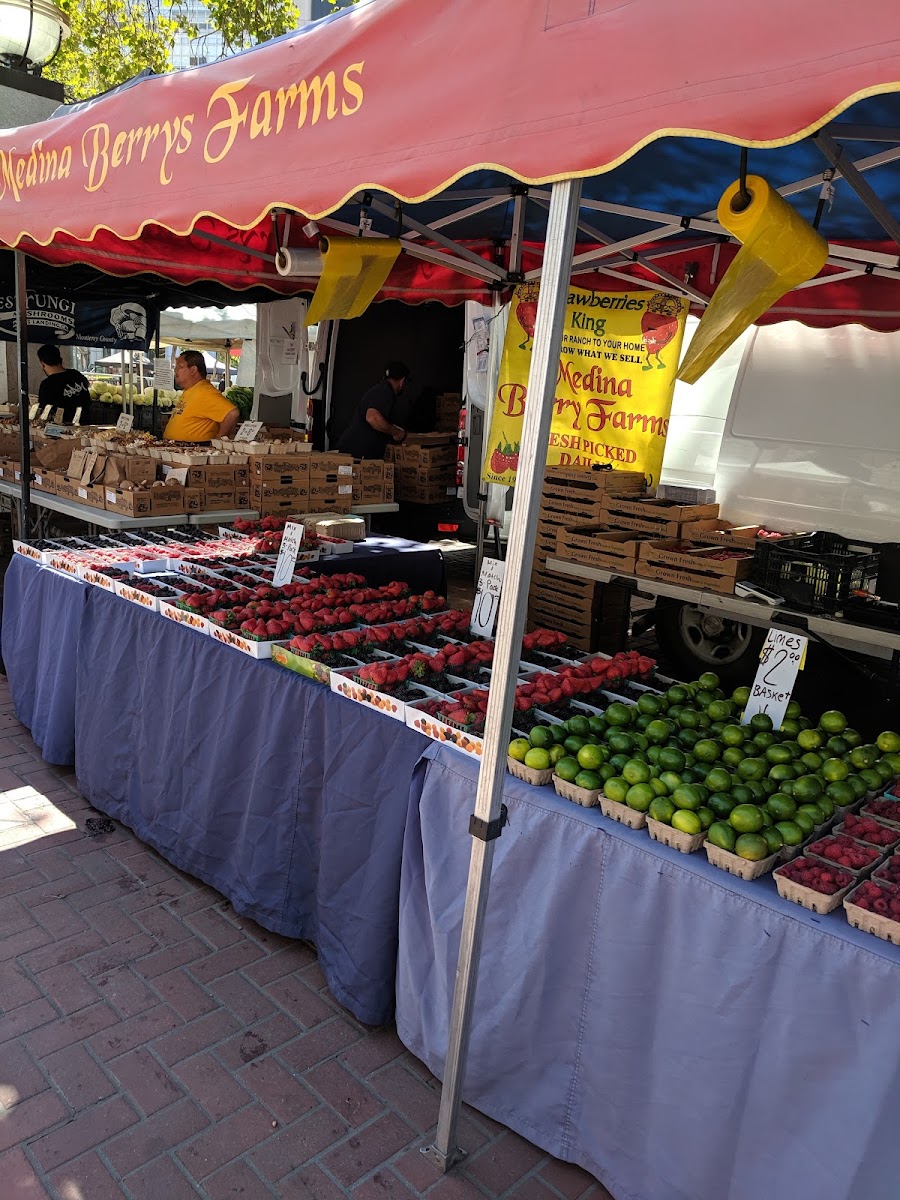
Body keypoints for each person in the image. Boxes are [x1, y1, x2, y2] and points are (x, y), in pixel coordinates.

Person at [338, 361, 409, 459]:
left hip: (355, 452)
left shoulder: (380, 390)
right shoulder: (385, 391)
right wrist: (395, 432)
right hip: (357, 455)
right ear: (402, 381)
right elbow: (372, 417)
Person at [164, 350, 240, 442]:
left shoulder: (205, 391)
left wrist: (219, 442)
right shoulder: (191, 389)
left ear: (193, 370)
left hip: (193, 451)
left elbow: (232, 414)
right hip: (177, 450)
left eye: (180, 366)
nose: (175, 370)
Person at [36, 345, 91, 424]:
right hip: (85, 426)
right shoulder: (76, 375)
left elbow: (45, 413)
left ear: (42, 363)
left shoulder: (47, 384)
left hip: (61, 430)